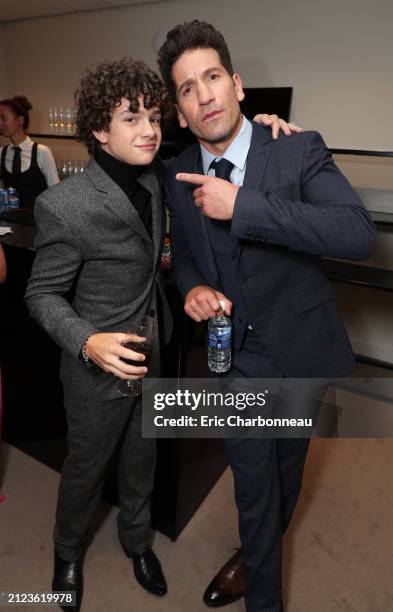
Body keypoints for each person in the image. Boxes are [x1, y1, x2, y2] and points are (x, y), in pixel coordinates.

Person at [158, 21, 376, 612]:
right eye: (185, 89)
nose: (203, 94)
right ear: (179, 112)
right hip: (237, 363)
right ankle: (261, 585)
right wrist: (193, 287)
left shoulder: (296, 148)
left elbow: (357, 234)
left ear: (237, 84)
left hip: (301, 353)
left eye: (211, 77)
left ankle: (257, 551)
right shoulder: (176, 174)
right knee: (253, 486)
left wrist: (246, 206)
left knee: (286, 473)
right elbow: (183, 263)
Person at [25, 58, 173, 612]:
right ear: (98, 130)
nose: (150, 130)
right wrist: (88, 341)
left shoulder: (155, 180)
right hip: (94, 370)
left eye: (154, 116)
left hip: (150, 354)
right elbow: (39, 295)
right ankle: (66, 554)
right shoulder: (65, 205)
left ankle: (137, 543)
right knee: (85, 471)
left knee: (143, 460)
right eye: (132, 118)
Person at [0, 95, 59, 210]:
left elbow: (56, 193)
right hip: (9, 223)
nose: (0, 124)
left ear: (20, 120)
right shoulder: (1, 152)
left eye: (3, 118)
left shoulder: (42, 152)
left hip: (37, 224)